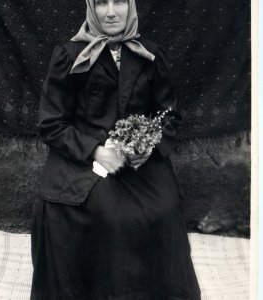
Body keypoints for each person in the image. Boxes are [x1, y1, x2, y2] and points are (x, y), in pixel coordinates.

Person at [30, 0, 201, 299]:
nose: (111, 12)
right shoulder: (69, 55)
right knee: (110, 215)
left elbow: (169, 113)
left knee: (164, 208)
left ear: (131, 7)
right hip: (83, 157)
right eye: (101, 3)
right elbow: (51, 123)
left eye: (119, 1)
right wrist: (95, 151)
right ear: (91, 10)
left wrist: (148, 146)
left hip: (138, 159)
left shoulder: (149, 54)